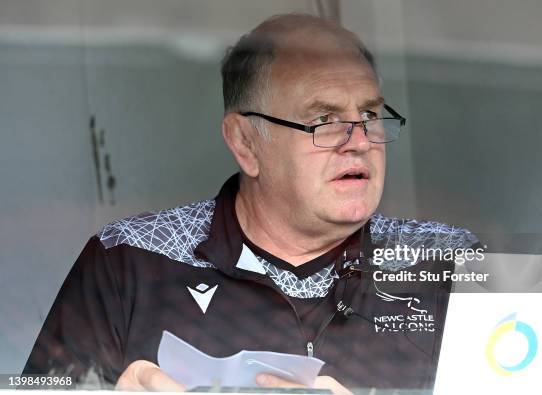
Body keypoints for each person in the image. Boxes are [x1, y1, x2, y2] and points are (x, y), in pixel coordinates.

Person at [23, 13, 479, 393]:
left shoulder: (452, 262)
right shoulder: (129, 259)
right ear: (245, 142)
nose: (358, 141)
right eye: (323, 120)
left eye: (369, 116)